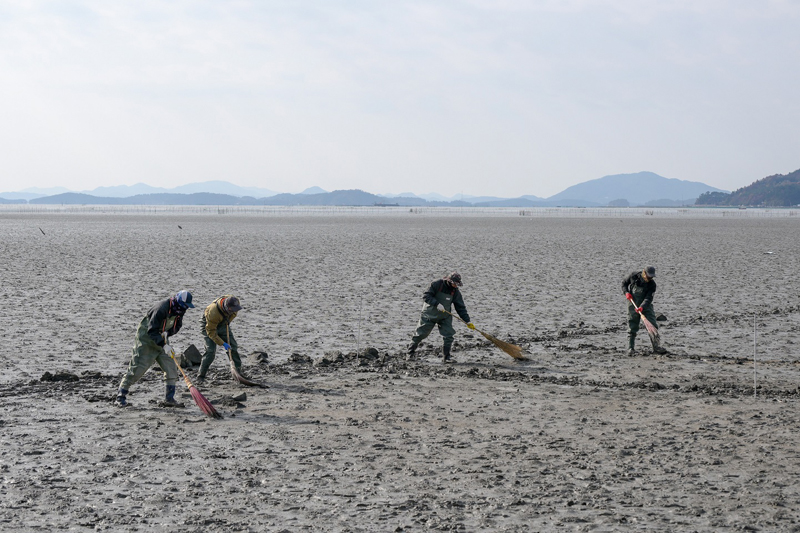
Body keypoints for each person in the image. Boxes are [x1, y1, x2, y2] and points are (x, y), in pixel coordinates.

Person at [115, 290, 195, 407]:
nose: (185, 309)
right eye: (184, 306)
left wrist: (168, 333)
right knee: (137, 370)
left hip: (162, 339)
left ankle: (169, 399)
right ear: (178, 302)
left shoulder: (179, 311)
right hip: (147, 340)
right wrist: (164, 345)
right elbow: (151, 330)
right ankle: (120, 397)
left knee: (171, 368)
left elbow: (177, 326)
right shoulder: (161, 309)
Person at [407, 272, 475, 363]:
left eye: (457, 284)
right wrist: (437, 304)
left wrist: (467, 321)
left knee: (448, 336)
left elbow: (460, 307)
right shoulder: (436, 284)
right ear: (449, 281)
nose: (455, 286)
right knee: (420, 334)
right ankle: (410, 354)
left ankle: (446, 358)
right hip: (429, 314)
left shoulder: (455, 292)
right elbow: (426, 296)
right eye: (454, 284)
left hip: (444, 316)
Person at [197, 295, 244, 381]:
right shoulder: (213, 312)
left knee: (233, 347)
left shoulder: (235, 304)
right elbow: (211, 332)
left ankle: (238, 372)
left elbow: (233, 314)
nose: (235, 311)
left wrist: (227, 321)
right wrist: (222, 343)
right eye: (232, 310)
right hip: (208, 325)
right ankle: (201, 376)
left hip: (223, 322)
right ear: (227, 308)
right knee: (210, 351)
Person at [622, 266, 667, 355]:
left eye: (651, 277)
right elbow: (624, 283)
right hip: (632, 303)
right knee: (632, 325)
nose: (649, 278)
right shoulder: (633, 276)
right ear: (644, 273)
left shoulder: (652, 285)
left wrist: (642, 307)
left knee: (653, 325)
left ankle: (656, 347)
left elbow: (648, 298)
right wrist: (626, 292)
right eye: (648, 276)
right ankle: (630, 347)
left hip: (646, 306)